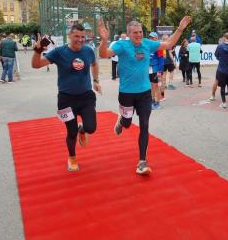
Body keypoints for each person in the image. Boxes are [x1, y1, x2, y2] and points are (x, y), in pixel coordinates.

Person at [98, 16, 192, 175]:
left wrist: (180, 29)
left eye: (141, 32)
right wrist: (104, 40)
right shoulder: (122, 45)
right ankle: (122, 119)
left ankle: (142, 161)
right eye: (135, 33)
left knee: (145, 125)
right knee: (127, 124)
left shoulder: (148, 44)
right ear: (129, 34)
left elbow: (169, 44)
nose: (139, 35)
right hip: (126, 93)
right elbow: (104, 54)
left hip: (144, 93)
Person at [31, 24, 101, 171]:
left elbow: (94, 64)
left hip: (86, 97)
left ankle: (83, 130)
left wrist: (95, 80)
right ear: (69, 36)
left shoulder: (88, 51)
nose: (80, 40)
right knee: (71, 132)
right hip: (66, 99)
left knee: (91, 128)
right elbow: (36, 65)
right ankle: (72, 158)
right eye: (77, 36)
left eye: (83, 37)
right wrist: (38, 51)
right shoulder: (59, 52)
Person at [148, 32, 164, 110]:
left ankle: (157, 103)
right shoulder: (148, 46)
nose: (150, 39)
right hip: (149, 69)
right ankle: (152, 101)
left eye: (152, 37)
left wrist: (159, 70)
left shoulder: (159, 46)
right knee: (151, 86)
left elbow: (161, 59)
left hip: (156, 69)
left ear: (156, 38)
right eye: (150, 37)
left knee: (156, 86)